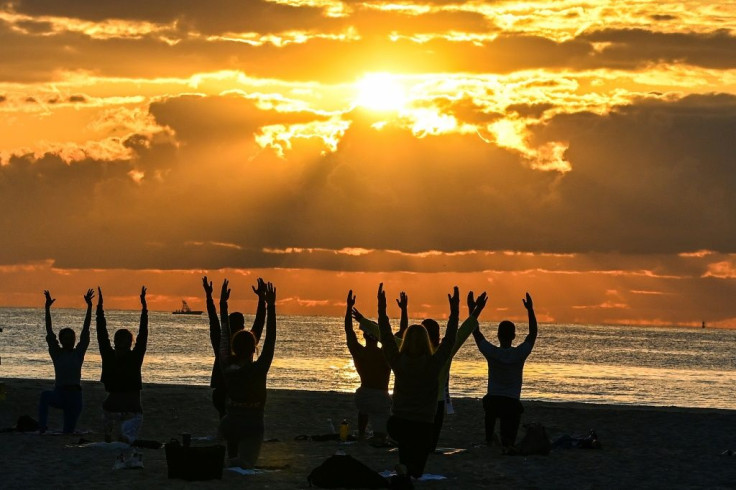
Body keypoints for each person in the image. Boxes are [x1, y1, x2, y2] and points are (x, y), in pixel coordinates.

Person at [354, 289, 487, 452]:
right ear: (437, 335)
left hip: (407, 404)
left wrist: (368, 318)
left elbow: (386, 337)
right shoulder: (440, 356)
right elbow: (457, 334)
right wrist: (468, 310)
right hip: (432, 405)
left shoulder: (402, 357)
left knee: (409, 444)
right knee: (426, 446)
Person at [377, 283, 460, 478]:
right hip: (422, 425)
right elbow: (449, 340)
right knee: (417, 469)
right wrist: (455, 311)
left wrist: (382, 310)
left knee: (407, 456)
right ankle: (407, 469)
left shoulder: (398, 362)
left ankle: (403, 468)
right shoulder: (433, 364)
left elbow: (387, 338)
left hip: (398, 425)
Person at [218, 279, 277, 469]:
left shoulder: (227, 367)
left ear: (234, 349)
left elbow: (224, 336)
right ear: (254, 348)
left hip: (229, 424)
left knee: (233, 459)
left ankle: (231, 458)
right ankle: (236, 460)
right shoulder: (258, 370)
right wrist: (270, 306)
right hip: (252, 425)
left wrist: (222, 304)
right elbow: (270, 340)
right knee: (245, 464)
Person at [472, 292, 537, 452]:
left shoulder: (492, 352)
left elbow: (476, 332)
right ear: (514, 336)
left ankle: (489, 439)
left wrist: (473, 309)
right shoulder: (518, 354)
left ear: (498, 335)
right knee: (509, 441)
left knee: (490, 405)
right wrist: (530, 310)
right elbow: (533, 334)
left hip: (494, 401)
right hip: (511, 403)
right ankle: (504, 442)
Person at [203, 276, 267, 419]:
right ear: (243, 327)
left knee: (226, 417)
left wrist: (211, 298)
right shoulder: (248, 342)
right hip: (243, 391)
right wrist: (262, 300)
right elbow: (259, 323)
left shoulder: (222, 343)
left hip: (221, 391)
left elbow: (214, 321)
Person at [96, 286, 148, 444]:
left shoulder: (133, 356)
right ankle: (113, 434)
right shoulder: (112, 354)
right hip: (118, 407)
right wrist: (99, 309)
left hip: (126, 408)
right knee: (123, 434)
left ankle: (114, 434)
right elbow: (101, 332)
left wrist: (144, 309)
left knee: (124, 435)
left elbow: (143, 334)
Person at [38, 288, 94, 434]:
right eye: (67, 338)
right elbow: (49, 332)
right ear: (62, 340)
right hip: (59, 394)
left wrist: (89, 307)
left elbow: (85, 331)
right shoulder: (57, 353)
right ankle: (42, 427)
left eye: (72, 338)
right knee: (44, 396)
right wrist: (47, 308)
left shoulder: (78, 353)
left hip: (75, 397)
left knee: (68, 432)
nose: (70, 340)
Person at [344, 290, 391, 442]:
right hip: (381, 397)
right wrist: (404, 310)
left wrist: (348, 308)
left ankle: (362, 432)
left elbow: (348, 331)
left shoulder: (359, 352)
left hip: (363, 395)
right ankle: (373, 434)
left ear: (364, 335)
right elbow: (401, 334)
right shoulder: (385, 353)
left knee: (363, 409)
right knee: (381, 434)